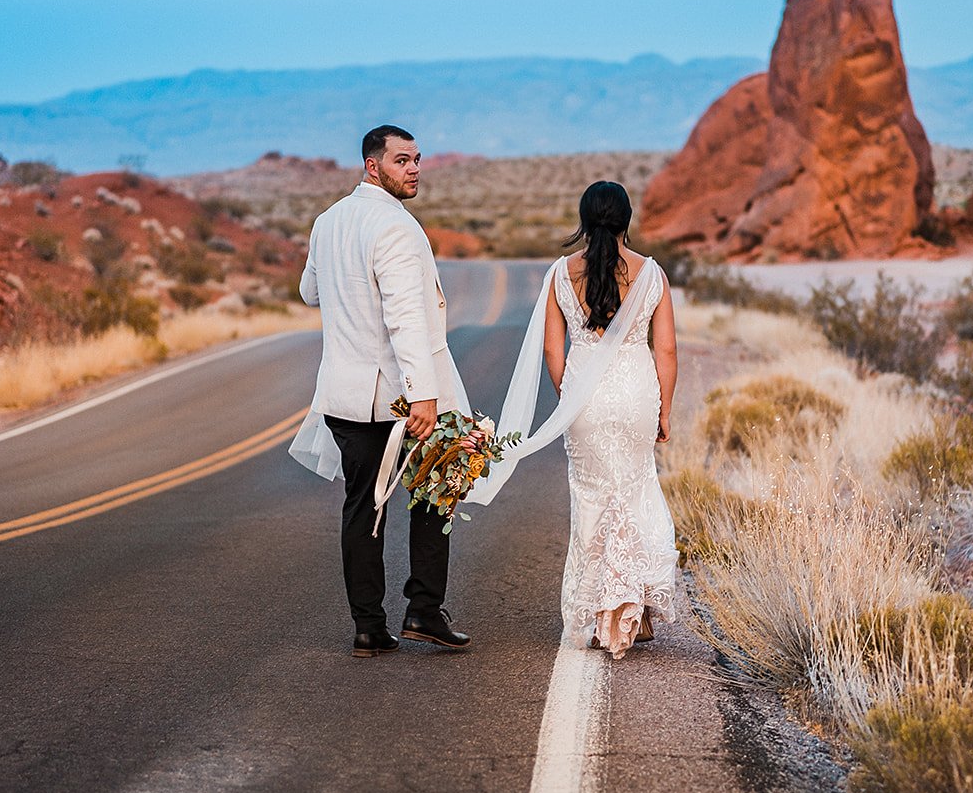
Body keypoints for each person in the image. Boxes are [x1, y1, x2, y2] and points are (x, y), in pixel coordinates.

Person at [468, 181, 679, 658]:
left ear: (584, 220)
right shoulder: (652, 274)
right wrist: (664, 408)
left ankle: (605, 612)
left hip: (584, 396)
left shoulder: (561, 273)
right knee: (635, 490)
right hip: (636, 393)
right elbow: (665, 350)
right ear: (626, 219)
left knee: (593, 499)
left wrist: (570, 395)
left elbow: (552, 349)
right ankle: (633, 612)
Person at [288, 125, 473, 658]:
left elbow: (309, 292)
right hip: (395, 396)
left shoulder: (327, 221)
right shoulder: (396, 226)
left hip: (342, 394)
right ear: (373, 166)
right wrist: (423, 393)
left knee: (362, 508)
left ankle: (368, 627)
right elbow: (404, 317)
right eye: (401, 161)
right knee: (436, 492)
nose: (414, 170)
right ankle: (424, 611)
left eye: (417, 160)